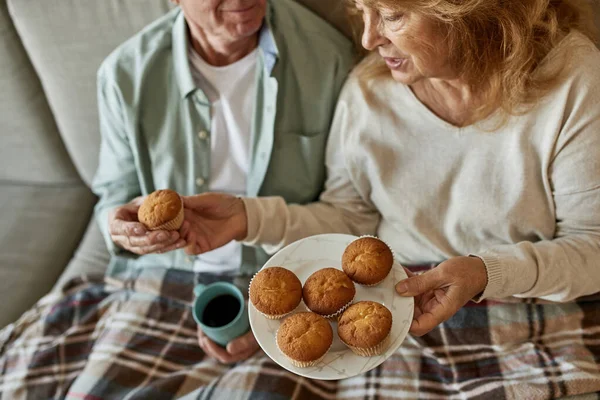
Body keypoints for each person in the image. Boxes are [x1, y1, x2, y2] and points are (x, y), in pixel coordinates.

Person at [181, 0, 600, 340]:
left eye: (392, 14)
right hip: (395, 308)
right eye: (362, 11)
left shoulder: (574, 80)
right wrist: (248, 218)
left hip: (530, 312)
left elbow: (592, 249)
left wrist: (485, 274)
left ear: (468, 8)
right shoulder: (368, 92)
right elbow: (348, 220)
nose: (367, 38)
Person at [91, 0, 354, 364]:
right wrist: (118, 227)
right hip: (166, 277)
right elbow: (112, 195)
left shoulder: (329, 58)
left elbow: (348, 212)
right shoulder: (123, 76)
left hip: (286, 276)